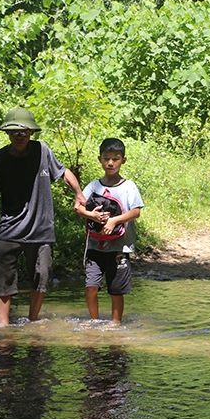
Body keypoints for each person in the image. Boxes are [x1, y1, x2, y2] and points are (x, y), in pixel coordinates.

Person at [0, 108, 86, 326]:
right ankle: (3, 326)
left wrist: (79, 194)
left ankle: (33, 321)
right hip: (9, 228)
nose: (19, 136)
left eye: (23, 132)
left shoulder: (43, 151)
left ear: (31, 132)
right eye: (14, 132)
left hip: (41, 229)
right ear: (7, 134)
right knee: (3, 277)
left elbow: (64, 173)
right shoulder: (0, 158)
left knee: (41, 276)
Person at [75, 138, 143, 324]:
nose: (110, 163)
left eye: (115, 158)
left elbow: (136, 212)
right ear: (100, 159)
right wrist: (92, 215)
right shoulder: (93, 186)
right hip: (94, 246)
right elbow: (78, 207)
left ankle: (115, 325)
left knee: (116, 290)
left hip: (119, 248)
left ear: (123, 160)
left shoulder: (129, 187)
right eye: (106, 158)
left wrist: (114, 220)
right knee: (91, 287)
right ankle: (94, 322)